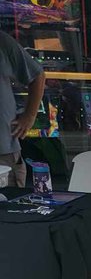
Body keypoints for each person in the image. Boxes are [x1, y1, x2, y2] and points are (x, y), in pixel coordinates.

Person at [0, 29, 45, 188]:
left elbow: (37, 75)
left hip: (3, 150)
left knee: (9, 207)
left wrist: (30, 116)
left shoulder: (3, 42)